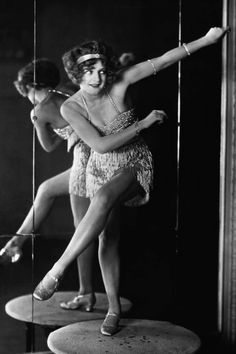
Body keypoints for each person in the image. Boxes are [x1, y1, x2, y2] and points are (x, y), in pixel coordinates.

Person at [33, 27, 229, 336]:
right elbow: (99, 146)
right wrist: (144, 122)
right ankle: (113, 307)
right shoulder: (70, 107)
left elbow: (164, 60)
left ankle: (57, 270)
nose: (98, 78)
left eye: (101, 70)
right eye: (89, 73)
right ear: (76, 75)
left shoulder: (119, 81)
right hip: (100, 166)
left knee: (98, 202)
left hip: (134, 163)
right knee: (106, 239)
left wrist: (206, 40)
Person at [0, 58, 96, 311]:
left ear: (31, 86)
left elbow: (49, 146)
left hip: (85, 165)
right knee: (45, 189)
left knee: (81, 232)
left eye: (26, 92)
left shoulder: (39, 111)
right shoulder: (66, 91)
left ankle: (86, 292)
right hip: (93, 156)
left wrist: (38, 121)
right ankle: (17, 241)